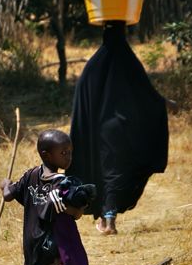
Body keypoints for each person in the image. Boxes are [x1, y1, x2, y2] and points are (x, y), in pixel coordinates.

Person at [67, 21, 169, 235]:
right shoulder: (128, 61)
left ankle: (107, 221)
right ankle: (109, 220)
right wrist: (163, 103)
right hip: (124, 129)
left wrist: (83, 133)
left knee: (104, 172)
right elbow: (146, 93)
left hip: (100, 131)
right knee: (117, 174)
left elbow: (82, 101)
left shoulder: (93, 65)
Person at [0, 129, 92, 265]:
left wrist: (4, 184)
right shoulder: (62, 185)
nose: (68, 157)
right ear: (47, 155)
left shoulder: (30, 176)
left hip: (30, 248)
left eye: (70, 152)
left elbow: (9, 194)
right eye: (63, 153)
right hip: (51, 248)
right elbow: (75, 212)